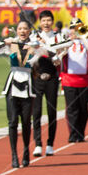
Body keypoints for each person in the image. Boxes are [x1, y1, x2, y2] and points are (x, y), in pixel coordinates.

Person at [0, 19, 38, 168]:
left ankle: (25, 150)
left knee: (25, 122)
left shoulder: (35, 45)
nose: (23, 31)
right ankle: (13, 155)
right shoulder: (12, 44)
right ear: (16, 31)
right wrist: (3, 43)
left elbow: (50, 53)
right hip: (12, 85)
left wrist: (38, 45)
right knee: (12, 122)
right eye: (20, 29)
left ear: (29, 31)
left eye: (25, 29)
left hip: (28, 85)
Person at [60, 20, 88, 144]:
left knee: (83, 108)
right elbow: (59, 54)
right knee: (71, 108)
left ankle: (80, 132)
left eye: (77, 28)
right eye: (73, 28)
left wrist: (84, 36)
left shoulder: (87, 42)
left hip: (84, 80)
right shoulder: (66, 42)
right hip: (69, 80)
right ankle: (72, 133)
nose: (75, 30)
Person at [31, 10, 61, 155]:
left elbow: (58, 60)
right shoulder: (34, 36)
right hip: (36, 77)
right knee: (36, 112)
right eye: (43, 21)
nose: (46, 23)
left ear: (52, 22)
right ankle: (37, 143)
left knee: (51, 111)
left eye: (49, 20)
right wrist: (37, 45)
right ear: (40, 22)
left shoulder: (58, 37)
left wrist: (47, 46)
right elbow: (30, 56)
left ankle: (50, 143)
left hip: (52, 77)